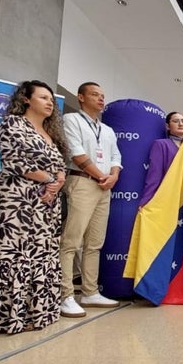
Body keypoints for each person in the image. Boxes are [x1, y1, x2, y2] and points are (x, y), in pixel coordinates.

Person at [0, 80, 67, 334]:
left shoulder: (50, 132)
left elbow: (59, 166)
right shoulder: (13, 124)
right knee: (10, 255)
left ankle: (34, 313)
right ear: (25, 99)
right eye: (43, 97)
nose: (49, 103)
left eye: (51, 99)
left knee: (40, 256)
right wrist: (50, 180)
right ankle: (2, 318)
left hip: (45, 205)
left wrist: (58, 181)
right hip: (14, 201)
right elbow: (14, 161)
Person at [59, 82, 122, 318]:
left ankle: (90, 292)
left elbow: (116, 156)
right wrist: (100, 176)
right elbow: (76, 152)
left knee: (95, 243)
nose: (100, 99)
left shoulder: (107, 130)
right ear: (81, 97)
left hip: (105, 187)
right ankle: (65, 295)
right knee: (71, 241)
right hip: (82, 182)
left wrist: (113, 176)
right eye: (95, 94)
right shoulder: (71, 120)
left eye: (102, 95)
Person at [136, 111, 183, 296]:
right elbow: (154, 174)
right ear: (167, 126)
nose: (181, 124)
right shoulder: (161, 145)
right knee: (167, 243)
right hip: (167, 202)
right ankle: (162, 286)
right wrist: (146, 201)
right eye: (175, 121)